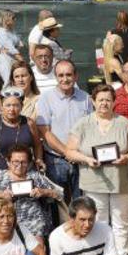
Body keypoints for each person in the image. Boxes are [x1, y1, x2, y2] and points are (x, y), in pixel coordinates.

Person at [65, 84, 128, 255]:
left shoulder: (124, 123)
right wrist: (86, 159)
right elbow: (69, 151)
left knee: (121, 220)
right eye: (100, 100)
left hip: (119, 180)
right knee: (98, 220)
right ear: (93, 102)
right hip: (93, 181)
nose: (104, 103)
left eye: (108, 100)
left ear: (114, 102)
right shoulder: (83, 124)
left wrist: (126, 157)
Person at [36, 60, 94, 203]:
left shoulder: (85, 98)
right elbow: (45, 132)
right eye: (60, 75)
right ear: (55, 77)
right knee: (58, 203)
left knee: (80, 202)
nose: (65, 79)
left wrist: (77, 155)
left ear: (76, 76)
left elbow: (91, 128)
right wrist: (67, 153)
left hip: (81, 159)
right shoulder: (45, 98)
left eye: (68, 75)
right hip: (55, 159)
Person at [0, 11, 23, 85]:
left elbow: (19, 43)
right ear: (6, 19)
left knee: (14, 81)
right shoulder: (2, 33)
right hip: (6, 60)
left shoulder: (12, 31)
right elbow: (11, 48)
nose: (15, 20)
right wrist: (21, 59)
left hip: (13, 59)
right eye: (13, 18)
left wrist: (15, 48)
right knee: (7, 81)